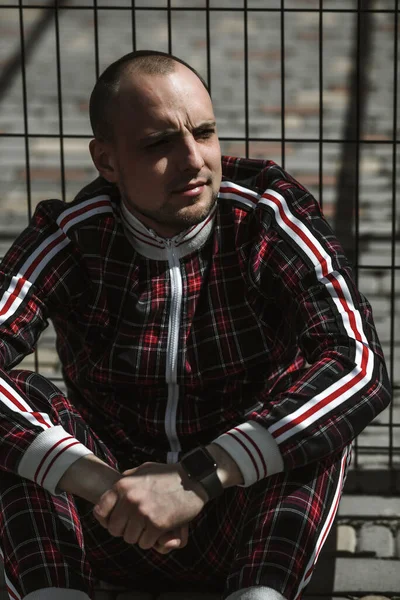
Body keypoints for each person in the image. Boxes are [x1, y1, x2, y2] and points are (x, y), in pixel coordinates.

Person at [0, 50, 391, 600]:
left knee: (317, 412)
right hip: (106, 515)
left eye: (203, 133)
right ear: (106, 161)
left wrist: (199, 478)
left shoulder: (265, 213)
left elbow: (359, 362)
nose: (193, 160)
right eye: (159, 143)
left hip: (243, 511)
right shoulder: (72, 235)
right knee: (20, 408)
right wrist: (108, 486)